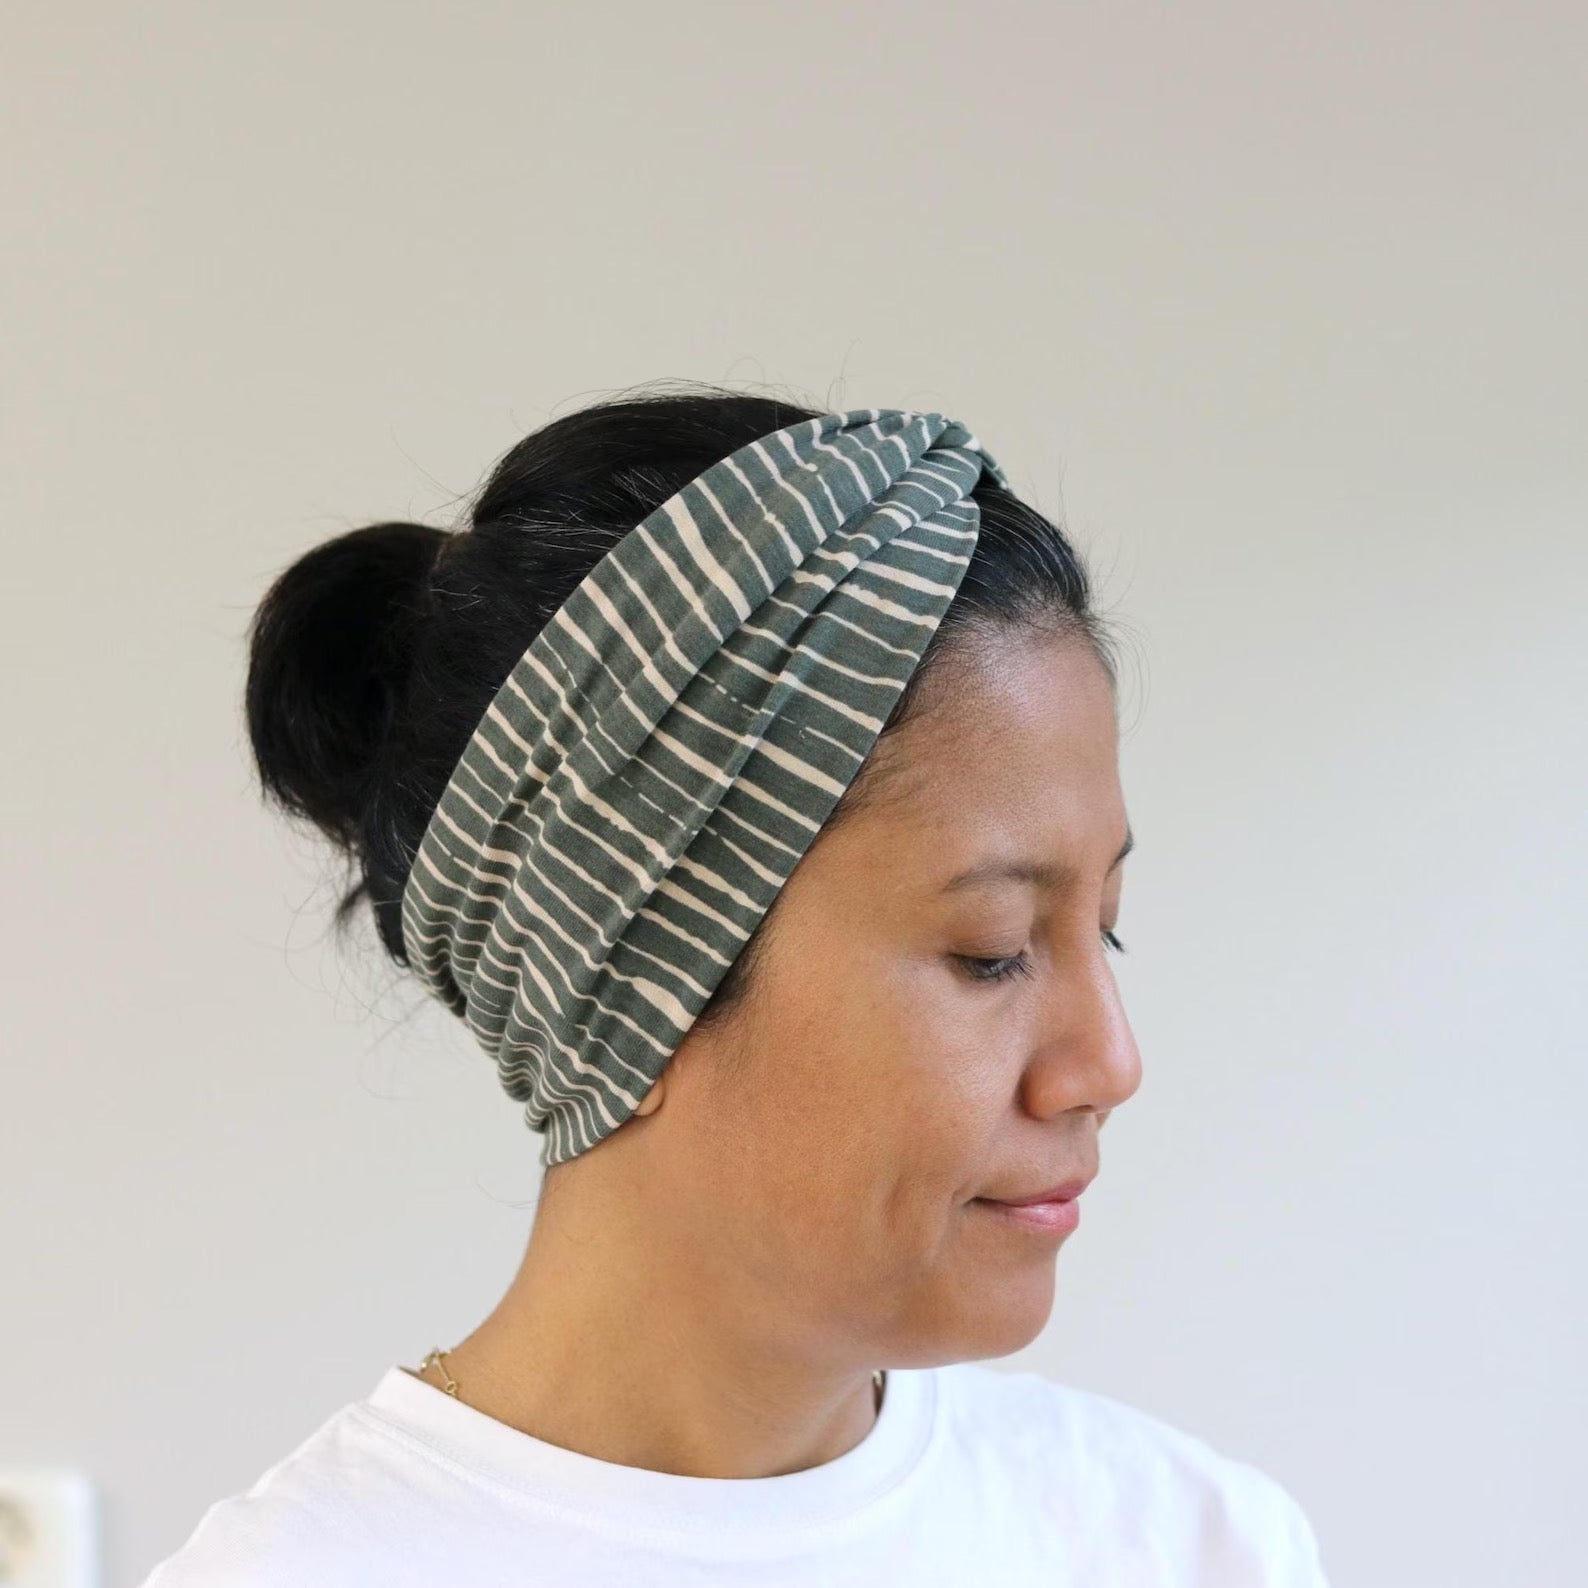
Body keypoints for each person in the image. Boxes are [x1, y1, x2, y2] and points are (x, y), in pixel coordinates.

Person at [140, 385, 1330, 1585]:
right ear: (628, 987)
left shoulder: (1189, 1543)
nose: (1108, 1066)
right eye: (993, 949)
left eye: (1105, 932)